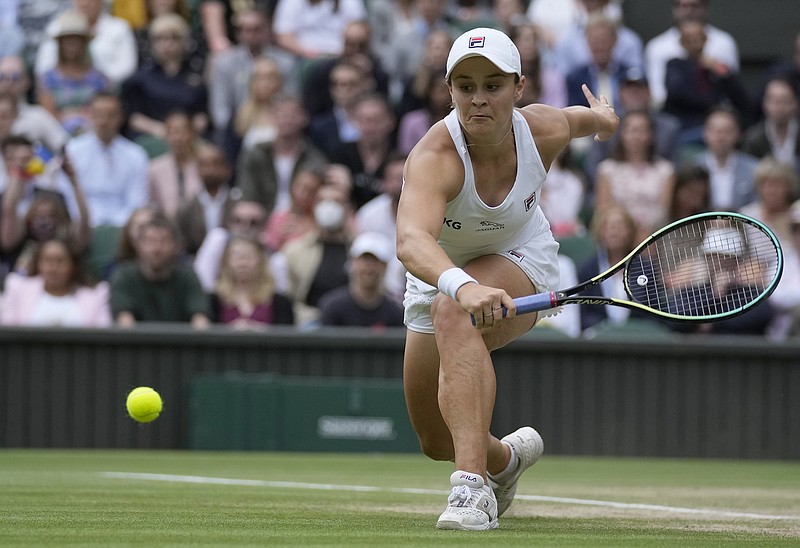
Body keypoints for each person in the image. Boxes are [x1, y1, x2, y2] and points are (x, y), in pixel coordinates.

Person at [395, 27, 618, 530]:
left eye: (492, 85)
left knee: (454, 313)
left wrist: (605, 119)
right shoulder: (434, 157)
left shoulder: (543, 128)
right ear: (449, 90)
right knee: (434, 439)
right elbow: (410, 242)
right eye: (465, 86)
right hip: (441, 272)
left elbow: (587, 120)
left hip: (521, 254)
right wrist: (462, 283)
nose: (478, 100)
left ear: (519, 88)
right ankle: (505, 461)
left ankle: (473, 492)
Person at [60, 92, 149, 228]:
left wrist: (118, 224)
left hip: (124, 225)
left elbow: (137, 201)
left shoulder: (136, 155)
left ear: (120, 117)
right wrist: (85, 219)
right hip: (81, 221)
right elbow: (67, 194)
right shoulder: (73, 150)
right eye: (98, 114)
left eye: (110, 115)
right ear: (89, 115)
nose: (104, 121)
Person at [109, 215, 210, 327]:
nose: (156, 249)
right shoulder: (124, 276)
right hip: (138, 343)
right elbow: (125, 323)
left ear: (176, 246)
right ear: (138, 245)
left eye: (163, 241)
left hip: (180, 343)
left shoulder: (187, 276)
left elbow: (200, 321)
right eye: (150, 241)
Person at [594, 110, 676, 241]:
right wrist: (628, 233)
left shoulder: (665, 170)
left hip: (654, 237)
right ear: (622, 134)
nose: (636, 136)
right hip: (617, 237)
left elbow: (663, 211)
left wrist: (646, 235)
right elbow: (603, 211)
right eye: (631, 130)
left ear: (652, 135)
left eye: (642, 130)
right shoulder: (607, 170)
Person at [643, 0, 739, 108]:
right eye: (684, 6)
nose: (689, 11)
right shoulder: (657, 47)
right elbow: (658, 94)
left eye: (695, 6)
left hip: (715, 111)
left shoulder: (724, 43)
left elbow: (732, 88)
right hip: (674, 114)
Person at [0, 236, 111, 327]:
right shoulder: (18, 288)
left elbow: (104, 335)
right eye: (48, 261)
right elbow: (7, 331)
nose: (54, 268)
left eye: (60, 261)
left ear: (73, 265)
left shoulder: (96, 294)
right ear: (38, 264)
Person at [35, 10, 109, 137]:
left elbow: (105, 110)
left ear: (84, 43)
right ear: (60, 44)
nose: (71, 44)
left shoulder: (99, 77)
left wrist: (77, 116)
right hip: (57, 135)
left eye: (76, 39)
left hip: (93, 133)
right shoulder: (48, 77)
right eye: (66, 40)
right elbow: (47, 114)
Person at [35, 0, 138, 88]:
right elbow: (43, 67)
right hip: (60, 91)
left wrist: (93, 81)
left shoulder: (119, 28)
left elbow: (127, 69)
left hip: (107, 93)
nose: (86, 3)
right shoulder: (57, 26)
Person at [317, 231, 404, 328]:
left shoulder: (395, 313)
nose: (369, 268)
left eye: (375, 262)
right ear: (353, 263)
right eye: (364, 260)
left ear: (385, 266)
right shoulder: (332, 307)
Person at [209, 234, 294, 328]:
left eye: (248, 257)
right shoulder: (214, 300)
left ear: (261, 261)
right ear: (226, 261)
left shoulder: (280, 302)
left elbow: (285, 335)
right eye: (236, 257)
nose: (242, 263)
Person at [693, 107, 758, 211]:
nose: (721, 136)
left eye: (727, 131)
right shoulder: (693, 168)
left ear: (738, 134)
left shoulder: (754, 169)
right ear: (705, 133)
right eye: (716, 131)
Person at [147, 111, 203, 220]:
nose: (179, 138)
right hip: (166, 225)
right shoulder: (154, 168)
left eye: (184, 132)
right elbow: (151, 204)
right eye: (174, 132)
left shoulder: (203, 165)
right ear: (167, 136)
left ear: (192, 134)